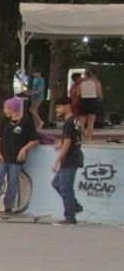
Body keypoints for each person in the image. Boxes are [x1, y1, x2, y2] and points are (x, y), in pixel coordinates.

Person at [0, 97, 39, 215]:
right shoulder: (5, 121)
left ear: (12, 109)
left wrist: (24, 149)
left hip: (16, 157)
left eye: (6, 108)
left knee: (13, 181)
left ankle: (8, 206)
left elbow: (34, 139)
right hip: (3, 155)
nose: (4, 110)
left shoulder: (26, 122)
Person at [50, 96, 85, 226]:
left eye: (59, 107)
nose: (57, 110)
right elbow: (75, 139)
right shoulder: (76, 120)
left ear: (66, 106)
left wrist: (57, 160)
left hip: (70, 158)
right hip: (74, 155)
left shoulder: (69, 122)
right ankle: (74, 205)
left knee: (65, 187)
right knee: (56, 184)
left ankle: (70, 216)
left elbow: (68, 143)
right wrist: (62, 144)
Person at [78, 69, 104, 144]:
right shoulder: (96, 82)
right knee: (91, 122)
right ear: (94, 74)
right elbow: (99, 93)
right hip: (92, 100)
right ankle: (89, 138)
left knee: (82, 122)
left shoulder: (81, 83)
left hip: (83, 100)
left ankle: (81, 138)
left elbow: (79, 93)